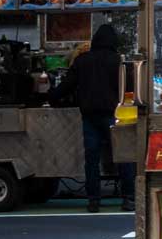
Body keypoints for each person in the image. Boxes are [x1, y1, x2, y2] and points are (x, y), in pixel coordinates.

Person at [50, 23, 135, 212]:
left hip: (89, 117)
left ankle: (93, 200)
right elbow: (129, 88)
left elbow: (67, 85)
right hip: (114, 116)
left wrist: (51, 97)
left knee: (92, 160)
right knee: (123, 157)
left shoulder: (82, 61)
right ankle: (129, 197)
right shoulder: (118, 61)